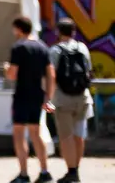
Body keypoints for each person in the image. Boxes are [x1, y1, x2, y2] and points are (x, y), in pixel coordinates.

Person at [5, 15, 55, 183]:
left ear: (19, 29)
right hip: (37, 95)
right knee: (36, 132)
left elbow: (12, 75)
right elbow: (51, 74)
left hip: (22, 95)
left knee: (19, 133)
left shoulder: (18, 47)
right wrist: (48, 96)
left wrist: (6, 69)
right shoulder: (43, 47)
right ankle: (44, 171)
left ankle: (24, 173)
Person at [48, 19, 93, 183]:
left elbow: (51, 75)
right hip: (83, 97)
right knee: (79, 135)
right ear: (74, 32)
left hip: (62, 98)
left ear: (58, 32)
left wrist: (48, 97)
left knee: (66, 136)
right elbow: (88, 71)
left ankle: (71, 171)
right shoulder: (83, 48)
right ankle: (76, 170)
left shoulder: (55, 50)